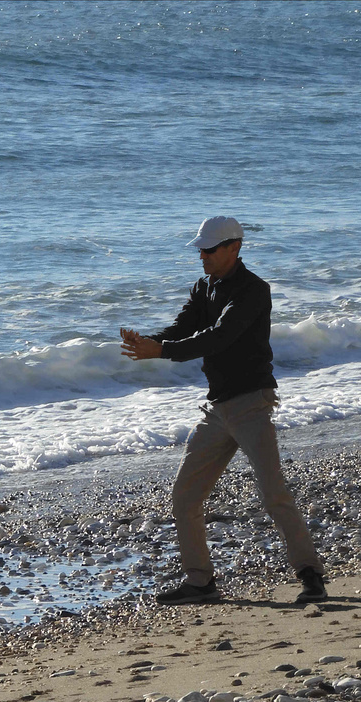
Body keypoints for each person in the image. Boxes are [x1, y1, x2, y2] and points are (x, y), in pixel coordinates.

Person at [120, 216, 326, 605]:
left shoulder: (254, 290)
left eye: (210, 249)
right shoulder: (205, 286)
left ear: (234, 247)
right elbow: (182, 329)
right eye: (201, 249)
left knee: (273, 494)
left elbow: (219, 338)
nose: (203, 256)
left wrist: (160, 351)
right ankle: (201, 582)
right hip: (217, 409)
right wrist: (150, 341)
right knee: (185, 495)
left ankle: (310, 574)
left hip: (251, 403)